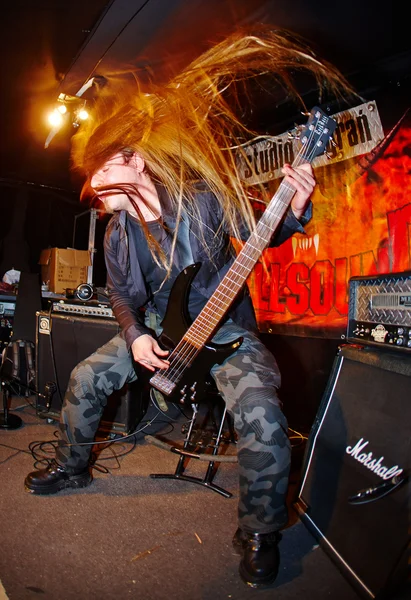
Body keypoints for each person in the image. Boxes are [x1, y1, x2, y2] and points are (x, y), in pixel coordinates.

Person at [25, 27, 351, 588]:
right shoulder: (117, 233)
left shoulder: (200, 199)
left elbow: (259, 232)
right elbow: (123, 297)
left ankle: (259, 532)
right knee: (86, 377)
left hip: (224, 326)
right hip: (158, 325)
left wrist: (294, 207)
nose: (93, 185)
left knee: (263, 414)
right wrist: (135, 338)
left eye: (102, 171)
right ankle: (72, 466)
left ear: (134, 161)